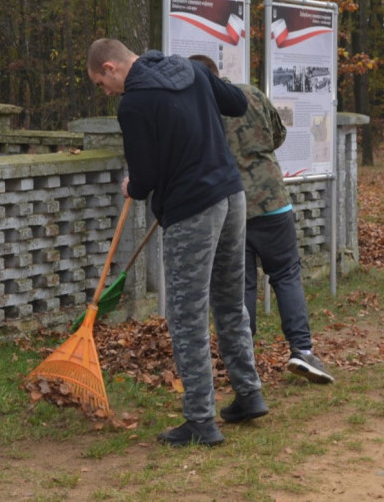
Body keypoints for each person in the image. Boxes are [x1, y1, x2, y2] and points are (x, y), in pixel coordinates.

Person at [87, 39, 265, 447]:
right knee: (229, 299)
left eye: (102, 83)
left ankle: (201, 421)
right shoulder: (192, 70)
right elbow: (237, 103)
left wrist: (133, 185)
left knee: (187, 316)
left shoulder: (132, 105)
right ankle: (249, 393)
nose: (106, 91)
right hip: (231, 195)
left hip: (193, 210)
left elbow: (146, 178)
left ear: (112, 67)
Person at [190, 55, 334, 385]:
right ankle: (302, 349)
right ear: (218, 73)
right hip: (272, 202)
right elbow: (278, 134)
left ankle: (245, 358)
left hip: (231, 207)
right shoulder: (250, 94)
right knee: (286, 275)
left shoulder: (200, 112)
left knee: (242, 284)